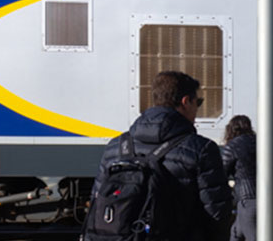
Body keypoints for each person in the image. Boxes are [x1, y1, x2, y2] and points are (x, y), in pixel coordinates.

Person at [90, 71, 233, 241]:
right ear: (185, 102)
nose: (197, 110)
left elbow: (96, 202)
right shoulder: (202, 149)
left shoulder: (115, 147)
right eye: (198, 102)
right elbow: (217, 214)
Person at [221, 115, 256, 241]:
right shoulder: (262, 142)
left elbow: (222, 174)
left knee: (252, 236)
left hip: (247, 199)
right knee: (236, 233)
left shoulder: (232, 146)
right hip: (270, 198)